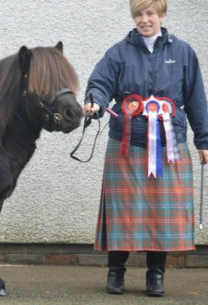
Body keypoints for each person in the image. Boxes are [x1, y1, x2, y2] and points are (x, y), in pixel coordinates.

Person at [83, 0, 208, 297]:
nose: (144, 19)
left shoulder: (183, 52)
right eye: (139, 14)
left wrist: (204, 140)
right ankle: (116, 273)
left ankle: (156, 276)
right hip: (126, 146)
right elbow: (100, 83)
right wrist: (95, 102)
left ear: (162, 15)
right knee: (122, 213)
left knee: (160, 216)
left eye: (150, 13)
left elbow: (196, 99)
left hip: (170, 146)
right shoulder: (118, 52)